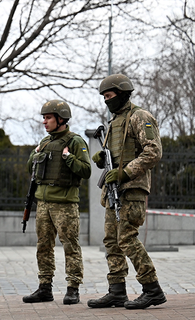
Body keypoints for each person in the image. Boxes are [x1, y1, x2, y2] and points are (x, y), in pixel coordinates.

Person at [87, 74, 166, 309]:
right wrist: (102, 158)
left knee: (127, 239)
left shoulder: (139, 117)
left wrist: (125, 173)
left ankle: (152, 289)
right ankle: (117, 291)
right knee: (112, 242)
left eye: (109, 96)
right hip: (114, 191)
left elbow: (153, 151)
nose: (106, 101)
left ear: (122, 94)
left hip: (131, 190)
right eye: (103, 97)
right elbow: (115, 157)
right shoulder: (114, 122)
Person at [22, 100, 91, 305]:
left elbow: (86, 171)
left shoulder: (75, 141)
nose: (44, 121)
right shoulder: (44, 142)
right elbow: (30, 169)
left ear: (61, 119)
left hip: (65, 204)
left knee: (70, 245)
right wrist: (35, 154)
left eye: (48, 117)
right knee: (43, 246)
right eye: (44, 118)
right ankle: (45, 287)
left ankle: (73, 288)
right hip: (43, 203)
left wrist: (69, 158)